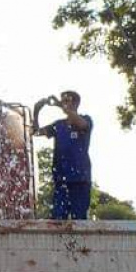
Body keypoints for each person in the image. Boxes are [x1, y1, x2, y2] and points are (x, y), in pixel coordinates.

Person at [33, 90, 93, 220]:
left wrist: (60, 106)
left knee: (80, 221)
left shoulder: (86, 120)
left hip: (80, 180)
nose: (63, 104)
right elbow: (36, 132)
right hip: (61, 180)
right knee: (58, 221)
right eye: (63, 101)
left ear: (76, 103)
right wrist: (36, 110)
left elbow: (82, 124)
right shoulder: (58, 125)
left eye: (67, 100)